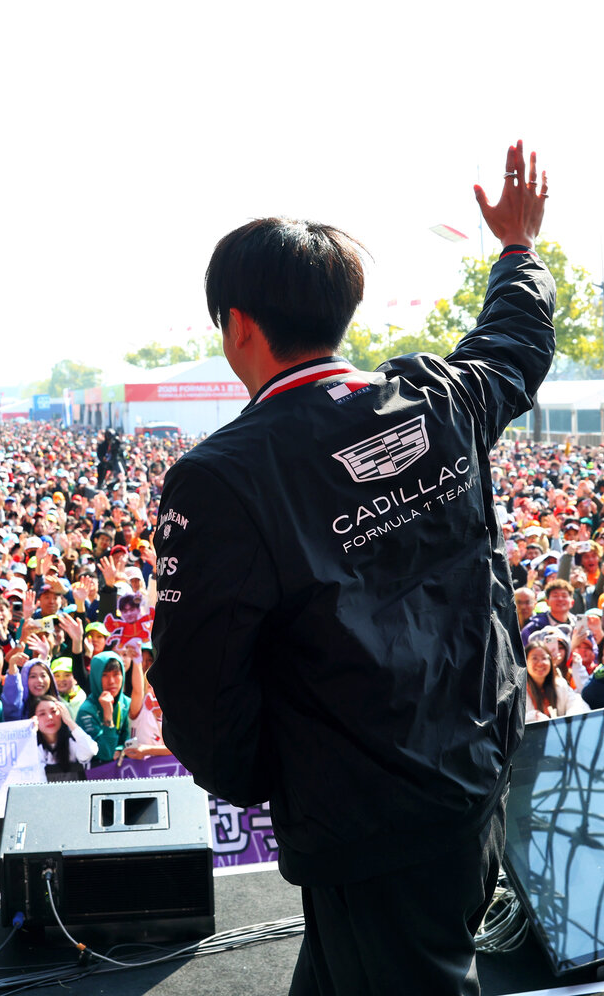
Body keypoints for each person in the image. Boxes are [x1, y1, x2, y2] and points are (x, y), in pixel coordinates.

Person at [150, 140, 556, 995]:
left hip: (369, 819)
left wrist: (275, 782)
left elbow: (200, 683)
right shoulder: (437, 399)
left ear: (238, 326)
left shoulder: (224, 476)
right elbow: (515, 344)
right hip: (476, 770)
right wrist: (517, 251)